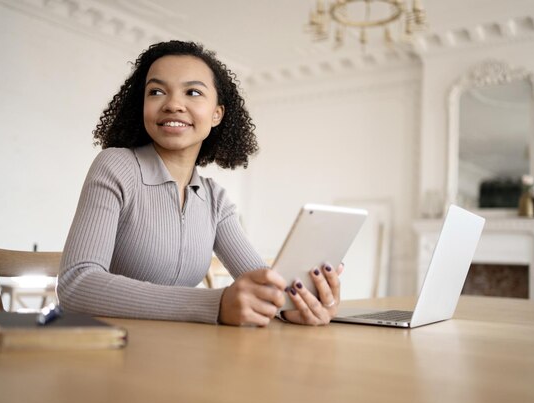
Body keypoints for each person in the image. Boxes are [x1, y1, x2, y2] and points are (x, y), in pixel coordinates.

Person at [58, 40, 343, 326]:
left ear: (216, 114)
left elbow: (260, 283)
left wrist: (294, 304)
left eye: (192, 92)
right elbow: (77, 286)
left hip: (182, 354)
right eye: (156, 92)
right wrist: (215, 304)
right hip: (111, 353)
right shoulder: (116, 167)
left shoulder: (215, 199)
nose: (172, 105)